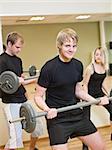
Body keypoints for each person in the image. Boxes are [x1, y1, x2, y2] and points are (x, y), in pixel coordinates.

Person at [34, 28, 107, 150]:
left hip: (76, 114)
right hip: (58, 119)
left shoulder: (78, 65)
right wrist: (47, 109)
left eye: (74, 46)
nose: (71, 49)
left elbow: (78, 91)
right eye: (67, 45)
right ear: (59, 46)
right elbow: (37, 96)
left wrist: (96, 100)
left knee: (101, 148)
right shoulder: (49, 68)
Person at [0, 32, 43, 150]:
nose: (19, 50)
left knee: (37, 127)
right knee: (15, 137)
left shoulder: (18, 60)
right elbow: (4, 84)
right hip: (10, 102)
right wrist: (18, 81)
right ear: (9, 44)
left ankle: (32, 148)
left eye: (20, 48)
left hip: (22, 99)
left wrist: (32, 80)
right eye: (17, 47)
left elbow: (20, 79)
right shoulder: (1, 61)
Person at [82, 47, 112, 150]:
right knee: (86, 120)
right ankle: (85, 145)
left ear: (104, 56)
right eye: (96, 54)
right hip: (88, 94)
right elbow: (84, 85)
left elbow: (102, 83)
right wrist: (86, 99)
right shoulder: (90, 68)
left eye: (100, 54)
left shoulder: (105, 68)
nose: (97, 56)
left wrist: (107, 94)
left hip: (99, 93)